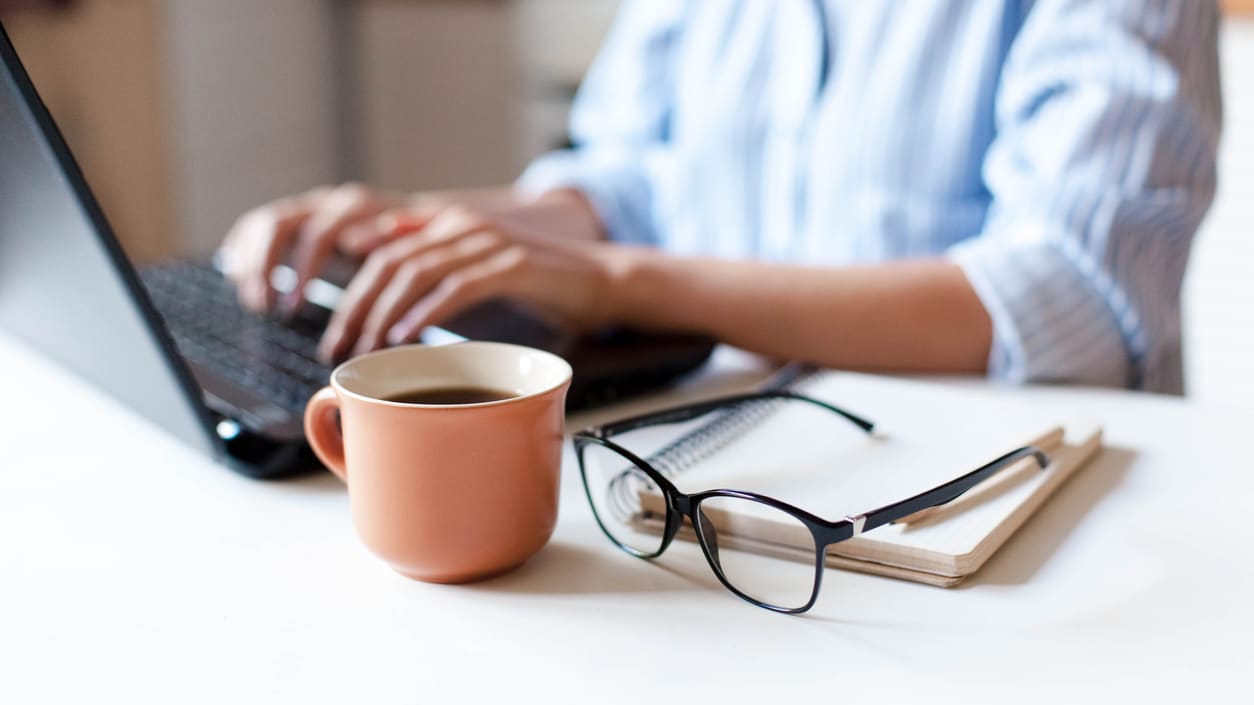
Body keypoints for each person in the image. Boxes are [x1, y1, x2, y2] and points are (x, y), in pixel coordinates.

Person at [222, 1, 1221, 394]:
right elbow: (638, 178)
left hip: (995, 518)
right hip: (722, 467)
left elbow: (1074, 299)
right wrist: (426, 229)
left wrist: (624, 283)